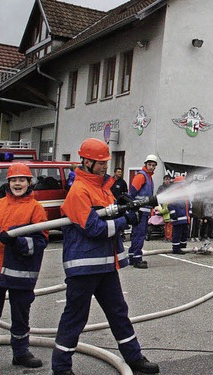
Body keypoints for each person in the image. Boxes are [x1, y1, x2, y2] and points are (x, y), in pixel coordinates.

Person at [51, 138, 158, 375]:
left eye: (105, 162)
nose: (104, 166)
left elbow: (108, 216)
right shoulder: (79, 191)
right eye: (100, 162)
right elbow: (95, 229)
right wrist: (124, 220)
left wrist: (123, 206)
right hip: (84, 267)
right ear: (86, 161)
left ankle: (134, 358)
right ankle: (60, 368)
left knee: (119, 312)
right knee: (75, 317)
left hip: (106, 266)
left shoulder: (102, 187)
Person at [0, 163, 48, 369]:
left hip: (21, 275)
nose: (18, 183)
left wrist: (16, 241)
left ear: (29, 182)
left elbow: (40, 243)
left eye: (22, 180)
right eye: (14, 180)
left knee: (20, 317)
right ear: (8, 182)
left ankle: (21, 353)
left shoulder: (36, 209)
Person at [127, 154, 158, 269]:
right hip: (140, 211)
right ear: (145, 164)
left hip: (143, 211)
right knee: (139, 235)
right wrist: (133, 208)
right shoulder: (142, 176)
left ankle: (132, 257)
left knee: (137, 235)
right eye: (149, 165)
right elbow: (132, 194)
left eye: (153, 165)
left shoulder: (149, 177)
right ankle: (137, 259)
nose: (151, 167)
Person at [168, 176, 190, 254]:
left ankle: (183, 246)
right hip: (177, 217)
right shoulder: (174, 192)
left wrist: (189, 212)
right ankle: (176, 248)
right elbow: (170, 204)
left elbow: (188, 203)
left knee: (184, 232)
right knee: (177, 233)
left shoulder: (185, 193)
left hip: (185, 217)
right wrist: (173, 213)